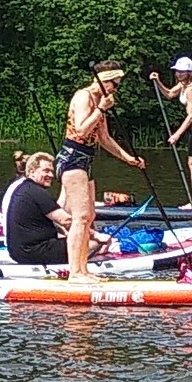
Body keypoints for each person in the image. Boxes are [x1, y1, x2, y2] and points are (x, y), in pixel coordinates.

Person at [60, 60, 150, 281]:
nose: (114, 89)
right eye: (114, 84)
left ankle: (84, 269)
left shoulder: (101, 101)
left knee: (89, 216)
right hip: (72, 157)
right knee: (80, 217)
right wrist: (101, 109)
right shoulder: (84, 97)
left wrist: (129, 158)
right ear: (103, 80)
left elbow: (104, 138)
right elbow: (81, 129)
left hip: (87, 159)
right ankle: (75, 272)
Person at [151, 57, 192, 209]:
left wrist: (176, 135)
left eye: (181, 72)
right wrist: (157, 81)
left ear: (188, 72)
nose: (178, 74)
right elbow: (170, 94)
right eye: (177, 71)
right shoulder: (183, 85)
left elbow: (191, 116)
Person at [0, 149, 71, 266]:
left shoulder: (21, 187)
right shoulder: (35, 191)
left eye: (52, 172)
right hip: (33, 250)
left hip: (17, 248)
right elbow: (65, 220)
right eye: (46, 171)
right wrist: (92, 235)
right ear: (31, 171)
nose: (51, 175)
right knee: (87, 243)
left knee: (67, 237)